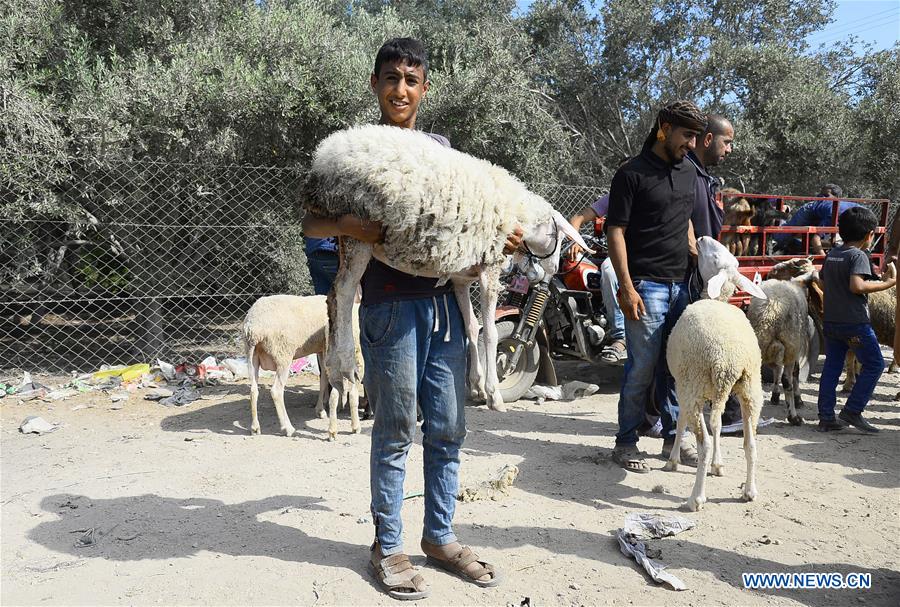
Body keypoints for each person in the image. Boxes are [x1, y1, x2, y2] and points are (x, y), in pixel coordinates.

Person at [302, 37, 518, 599]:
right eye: (392, 78)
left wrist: (502, 235)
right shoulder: (356, 153)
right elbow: (312, 224)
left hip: (445, 305)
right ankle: (387, 545)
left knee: (448, 429)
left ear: (424, 88)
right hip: (389, 309)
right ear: (375, 84)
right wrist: (356, 227)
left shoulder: (443, 153)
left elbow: (464, 221)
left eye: (412, 80)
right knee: (396, 431)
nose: (402, 89)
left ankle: (440, 537)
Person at [606, 100, 705, 473]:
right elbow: (615, 230)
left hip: (682, 287)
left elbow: (684, 218)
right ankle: (626, 443)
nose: (692, 144)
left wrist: (693, 243)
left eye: (695, 137)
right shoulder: (631, 173)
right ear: (664, 127)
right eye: (686, 135)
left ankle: (674, 442)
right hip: (645, 287)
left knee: (677, 368)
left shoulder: (690, 172)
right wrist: (626, 287)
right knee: (642, 368)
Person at [684, 114, 746, 431]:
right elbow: (685, 226)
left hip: (703, 277)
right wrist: (701, 267)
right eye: (728, 142)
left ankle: (724, 414)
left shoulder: (702, 177)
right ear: (708, 139)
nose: (730, 149)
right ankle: (728, 415)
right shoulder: (688, 177)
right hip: (694, 280)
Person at [815, 206, 895, 433]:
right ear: (869, 235)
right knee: (875, 364)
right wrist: (888, 283)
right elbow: (857, 286)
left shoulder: (833, 255)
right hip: (855, 324)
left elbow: (823, 283)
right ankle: (853, 410)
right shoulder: (858, 255)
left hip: (831, 322)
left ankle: (826, 417)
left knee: (831, 367)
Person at [568, 191, 627, 364]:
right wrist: (574, 239)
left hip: (636, 255)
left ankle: (620, 336)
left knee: (609, 269)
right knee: (576, 265)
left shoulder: (646, 194)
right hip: (614, 252)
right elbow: (578, 218)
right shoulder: (615, 196)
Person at [774, 184, 860, 254]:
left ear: (837, 197)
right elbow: (816, 238)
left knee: (813, 237)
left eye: (826, 196)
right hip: (810, 211)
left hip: (824, 214)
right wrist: (823, 258)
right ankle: (782, 213)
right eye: (820, 195)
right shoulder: (832, 211)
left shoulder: (857, 213)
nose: (822, 198)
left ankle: (797, 245)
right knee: (782, 237)